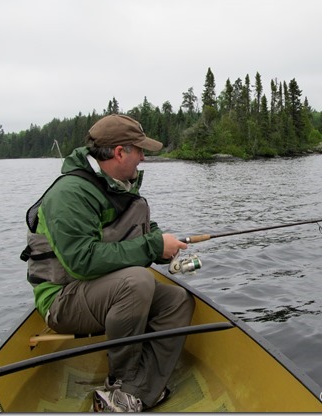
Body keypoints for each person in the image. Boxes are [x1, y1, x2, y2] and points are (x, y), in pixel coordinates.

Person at [22, 114, 195, 412]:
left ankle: (134, 392)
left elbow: (141, 228)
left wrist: (160, 248)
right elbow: (82, 261)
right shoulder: (69, 194)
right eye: (139, 150)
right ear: (119, 152)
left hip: (103, 292)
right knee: (138, 282)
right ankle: (120, 382)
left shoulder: (118, 185)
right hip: (62, 300)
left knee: (177, 300)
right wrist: (152, 245)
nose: (143, 157)